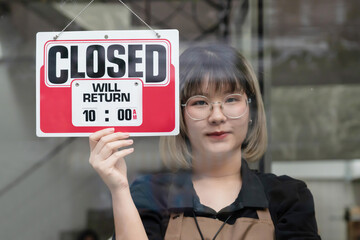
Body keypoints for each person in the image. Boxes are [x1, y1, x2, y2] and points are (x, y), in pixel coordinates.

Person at [89, 44, 321, 240]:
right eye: (199, 102)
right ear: (180, 117)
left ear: (250, 109)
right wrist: (119, 189)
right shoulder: (149, 194)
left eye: (231, 99)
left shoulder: (289, 196)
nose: (217, 116)